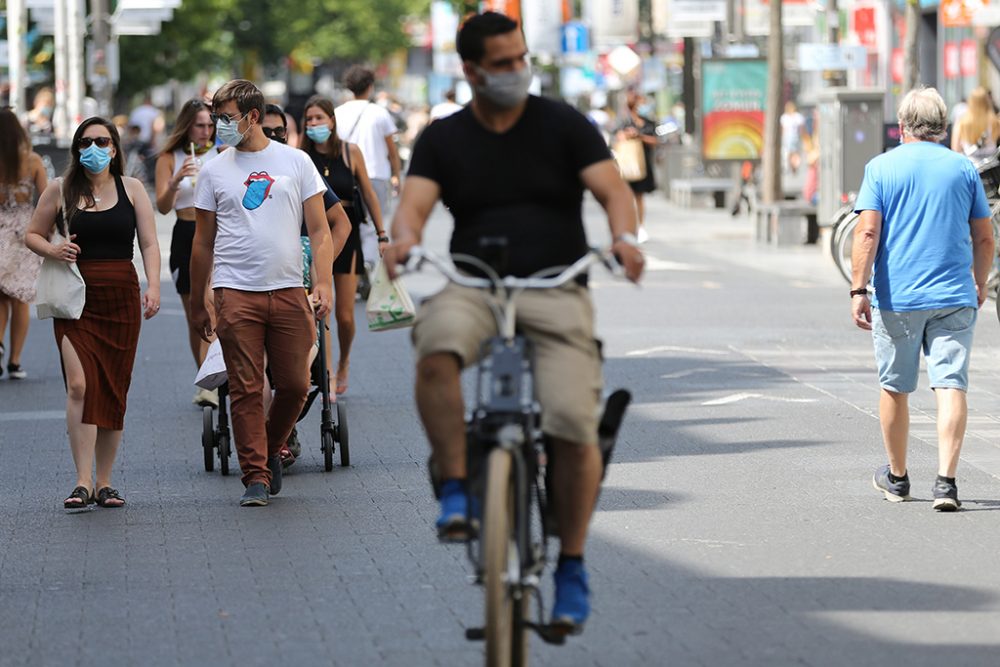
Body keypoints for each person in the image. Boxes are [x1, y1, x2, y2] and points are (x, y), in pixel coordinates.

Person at [382, 12, 645, 632]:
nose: (516, 71)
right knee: (436, 349)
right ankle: (455, 485)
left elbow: (613, 191)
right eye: (501, 64)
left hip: (556, 288)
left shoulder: (563, 124)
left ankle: (572, 565)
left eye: (519, 58)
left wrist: (625, 237)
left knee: (574, 425)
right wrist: (403, 242)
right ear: (471, 72)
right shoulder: (444, 137)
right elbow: (412, 209)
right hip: (474, 282)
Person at [190, 80, 334, 507]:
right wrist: (202, 297)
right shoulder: (214, 170)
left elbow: (321, 230)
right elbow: (202, 241)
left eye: (226, 117)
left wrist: (322, 281)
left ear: (252, 117)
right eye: (216, 117)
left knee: (295, 385)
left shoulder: (295, 161)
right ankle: (255, 475)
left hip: (290, 290)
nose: (219, 125)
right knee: (247, 388)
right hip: (235, 292)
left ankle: (269, 449)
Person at [852, 87, 994, 512]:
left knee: (895, 387)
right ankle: (946, 483)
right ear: (942, 123)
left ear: (902, 123)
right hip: (954, 294)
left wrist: (859, 288)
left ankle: (897, 479)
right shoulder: (963, 169)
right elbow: (985, 235)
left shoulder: (880, 168)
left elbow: (867, 232)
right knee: (951, 383)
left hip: (899, 296)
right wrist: (980, 282)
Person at [24, 117, 161, 510]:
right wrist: (53, 249)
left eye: (102, 141)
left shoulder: (132, 189)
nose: (94, 148)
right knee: (80, 385)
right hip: (76, 296)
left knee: (114, 389)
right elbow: (33, 233)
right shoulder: (61, 189)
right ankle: (82, 481)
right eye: (86, 142)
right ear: (76, 149)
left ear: (115, 148)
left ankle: (105, 482)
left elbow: (150, 244)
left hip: (120, 294)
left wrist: (152, 286)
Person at [263, 102, 351, 466]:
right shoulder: (230, 170)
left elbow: (337, 224)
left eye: (279, 132)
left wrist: (322, 270)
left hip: (298, 286)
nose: (272, 139)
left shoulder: (298, 167)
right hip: (252, 289)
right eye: (266, 132)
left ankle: (281, 431)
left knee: (298, 366)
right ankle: (271, 437)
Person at [302, 95, 387, 396]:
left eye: (319, 118)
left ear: (332, 121)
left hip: (346, 231)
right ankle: (325, 373)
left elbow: (369, 193)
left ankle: (344, 362)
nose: (314, 124)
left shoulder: (351, 153)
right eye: (309, 119)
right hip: (313, 234)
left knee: (346, 315)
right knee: (321, 306)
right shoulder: (301, 155)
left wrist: (382, 234)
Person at [154, 99, 221, 408]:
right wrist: (176, 178)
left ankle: (216, 378)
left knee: (215, 306)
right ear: (186, 126)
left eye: (210, 125)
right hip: (186, 232)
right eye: (200, 125)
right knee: (195, 312)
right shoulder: (171, 156)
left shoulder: (222, 153)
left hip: (218, 235)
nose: (206, 131)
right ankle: (206, 379)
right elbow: (163, 206)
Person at [335, 65, 401, 272]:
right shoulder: (380, 113)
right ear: (370, 87)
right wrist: (396, 175)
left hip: (346, 176)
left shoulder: (337, 113)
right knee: (373, 224)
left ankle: (351, 265)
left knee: (347, 222)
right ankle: (368, 263)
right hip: (376, 175)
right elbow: (392, 151)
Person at [0, 109, 49, 379]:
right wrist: (48, 230)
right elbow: (46, 198)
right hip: (24, 230)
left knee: (1, 296)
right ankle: (15, 361)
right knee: (20, 297)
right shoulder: (32, 161)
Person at [614, 89, 657, 243]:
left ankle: (640, 227)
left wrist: (639, 136)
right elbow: (616, 138)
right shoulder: (624, 122)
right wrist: (626, 135)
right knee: (626, 196)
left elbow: (654, 141)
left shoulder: (648, 122)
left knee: (639, 196)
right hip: (627, 165)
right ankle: (627, 227)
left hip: (643, 164)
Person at [951, 87, 1000, 161]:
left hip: (971, 165)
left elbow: (955, 149)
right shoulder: (995, 122)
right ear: (987, 102)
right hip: (992, 166)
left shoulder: (962, 122)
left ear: (970, 102)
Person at [780, 101, 806, 173]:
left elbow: (783, 130)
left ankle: (790, 164)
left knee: (789, 153)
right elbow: (802, 129)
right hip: (796, 137)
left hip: (787, 137)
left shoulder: (784, 117)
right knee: (796, 153)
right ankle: (795, 164)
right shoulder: (799, 116)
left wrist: (782, 138)